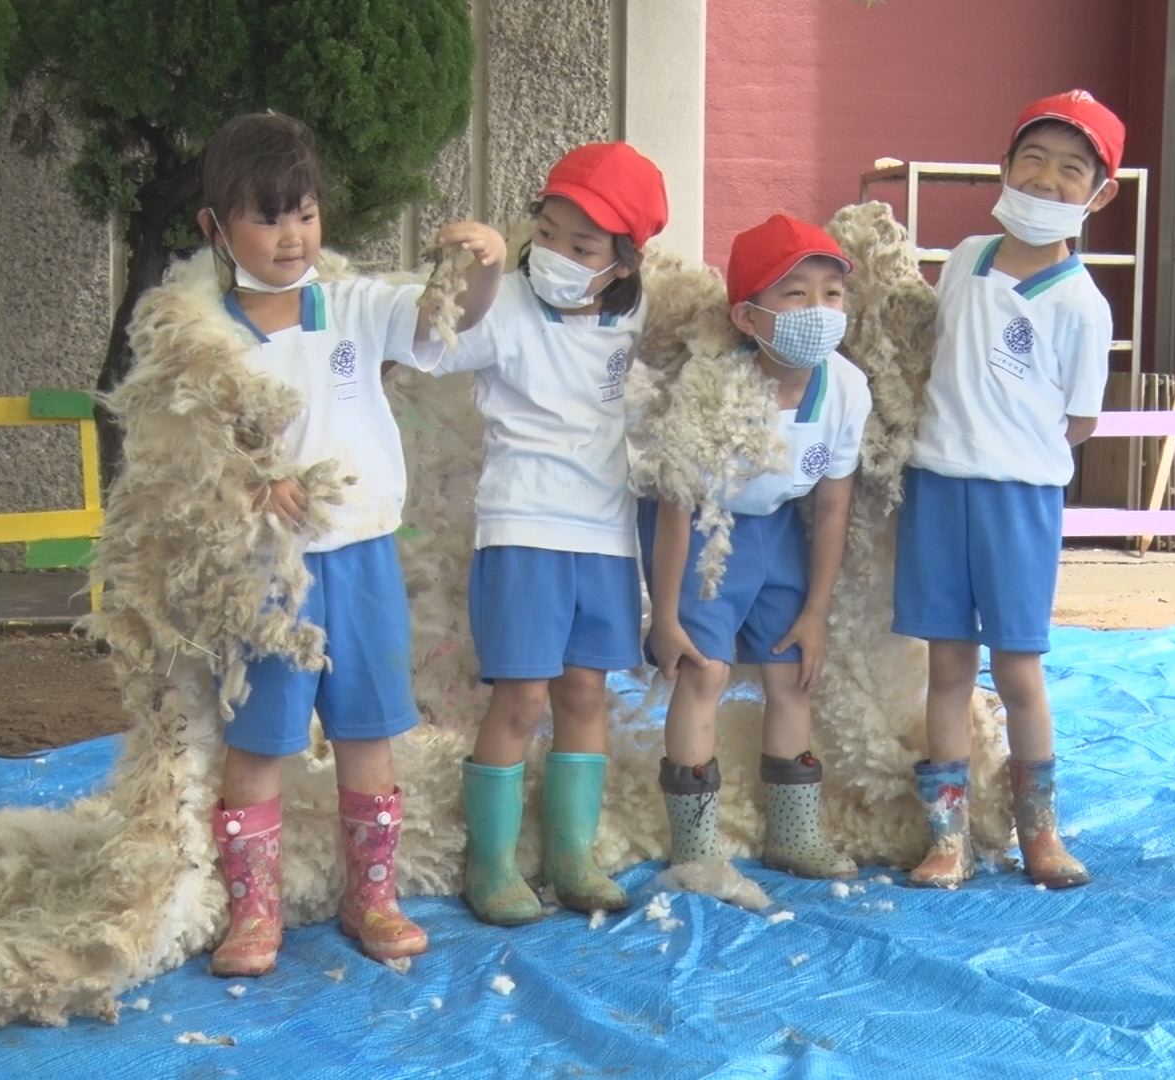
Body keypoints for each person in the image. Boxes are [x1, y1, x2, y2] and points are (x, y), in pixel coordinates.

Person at [134, 111, 505, 974]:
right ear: (215, 229)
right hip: (265, 575)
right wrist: (256, 488)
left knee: (369, 734)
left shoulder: (352, 307)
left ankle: (371, 895)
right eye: (266, 217)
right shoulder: (203, 342)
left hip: (364, 556)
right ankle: (253, 914)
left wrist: (481, 269)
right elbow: (183, 463)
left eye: (303, 212)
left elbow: (440, 322)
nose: (290, 234)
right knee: (260, 739)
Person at [894, 90, 1124, 890]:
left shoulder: (1084, 305)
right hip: (936, 486)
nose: (1047, 179)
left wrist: (1012, 448)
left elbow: (1082, 421)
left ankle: (1041, 837)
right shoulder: (964, 259)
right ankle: (946, 840)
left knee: (1019, 670)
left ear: (1100, 193)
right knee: (948, 667)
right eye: (1034, 159)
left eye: (1072, 168)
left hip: (1019, 501)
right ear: (1004, 167)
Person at [449, 142, 669, 925]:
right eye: (548, 232)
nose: (559, 255)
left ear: (623, 261)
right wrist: (475, 274)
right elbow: (432, 341)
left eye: (583, 247)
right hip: (523, 527)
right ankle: (492, 864)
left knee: (586, 692)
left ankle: (572, 856)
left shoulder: (639, 314)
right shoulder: (504, 302)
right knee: (521, 697)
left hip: (606, 537)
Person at [641, 213, 872, 884]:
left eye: (832, 294)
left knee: (792, 668)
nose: (820, 311)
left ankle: (794, 835)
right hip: (706, 533)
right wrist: (666, 615)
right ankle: (696, 847)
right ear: (747, 317)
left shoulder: (847, 388)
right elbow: (676, 511)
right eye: (794, 295)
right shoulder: (711, 391)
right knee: (703, 672)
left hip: (778, 532)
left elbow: (831, 505)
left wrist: (816, 609)